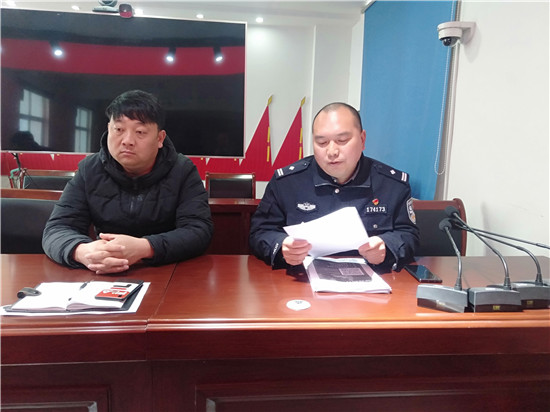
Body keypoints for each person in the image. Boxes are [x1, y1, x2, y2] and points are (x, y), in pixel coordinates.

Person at [43, 90, 213, 274]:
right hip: (103, 273)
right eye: (119, 129)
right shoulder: (89, 169)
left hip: (166, 271)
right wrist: (82, 251)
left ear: (160, 138)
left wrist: (145, 247)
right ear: (109, 129)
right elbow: (57, 229)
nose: (127, 141)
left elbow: (198, 231)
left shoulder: (182, 170)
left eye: (140, 132)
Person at [249, 102, 419, 273]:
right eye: (322, 142)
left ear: (362, 139)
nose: (332, 152)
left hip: (373, 279)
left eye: (342, 140)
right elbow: (260, 232)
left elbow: (409, 235)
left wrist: (386, 247)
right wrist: (282, 245)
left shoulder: (392, 185)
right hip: (302, 279)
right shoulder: (287, 183)